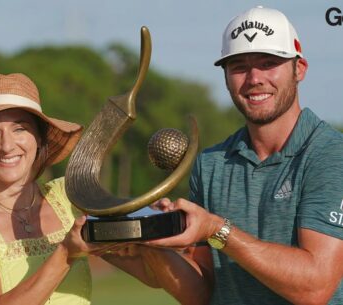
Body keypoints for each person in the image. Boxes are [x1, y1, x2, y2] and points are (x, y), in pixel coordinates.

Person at [107, 6, 343, 305]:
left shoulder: (331, 155)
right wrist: (155, 244)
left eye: (269, 63)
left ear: (299, 69)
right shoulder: (211, 163)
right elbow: (201, 292)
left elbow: (315, 288)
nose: (254, 78)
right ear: (226, 76)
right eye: (239, 66)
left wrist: (217, 229)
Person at [0, 73, 116, 304]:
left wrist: (154, 223)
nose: (7, 146)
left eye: (19, 129)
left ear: (39, 138)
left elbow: (148, 271)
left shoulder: (71, 195)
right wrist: (65, 253)